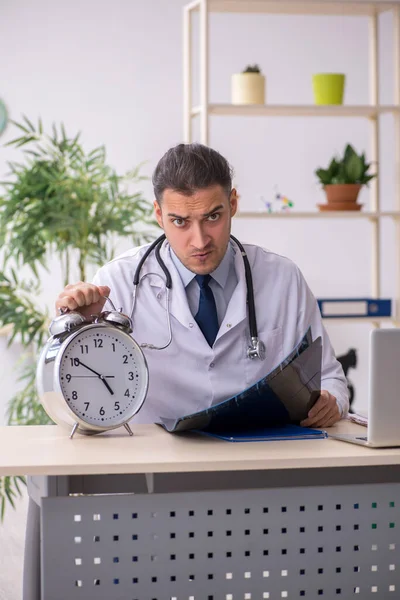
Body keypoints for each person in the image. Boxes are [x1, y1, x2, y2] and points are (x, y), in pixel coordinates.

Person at [56, 143, 349, 427]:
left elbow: (329, 377)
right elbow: (77, 402)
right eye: (180, 221)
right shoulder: (118, 283)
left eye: (212, 217)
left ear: (233, 203)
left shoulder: (283, 278)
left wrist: (330, 402)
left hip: (259, 457)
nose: (200, 241)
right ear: (159, 215)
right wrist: (78, 328)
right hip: (155, 463)